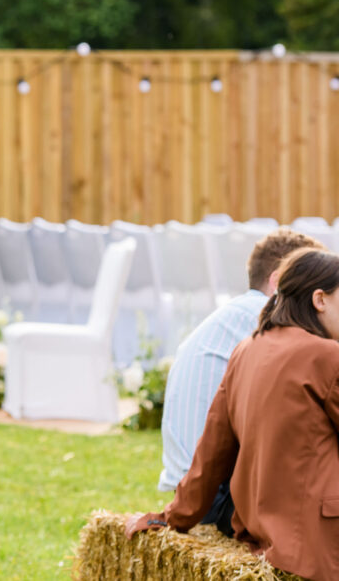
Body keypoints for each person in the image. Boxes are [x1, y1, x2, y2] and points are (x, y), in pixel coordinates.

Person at [127, 247, 339, 581]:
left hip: (263, 537)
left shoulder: (246, 348)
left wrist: (171, 518)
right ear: (320, 299)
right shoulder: (327, 356)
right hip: (321, 544)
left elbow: (211, 452)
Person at [158, 228, 321, 534]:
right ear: (278, 281)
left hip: (195, 488)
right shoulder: (267, 322)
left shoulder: (232, 317)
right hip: (215, 496)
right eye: (315, 291)